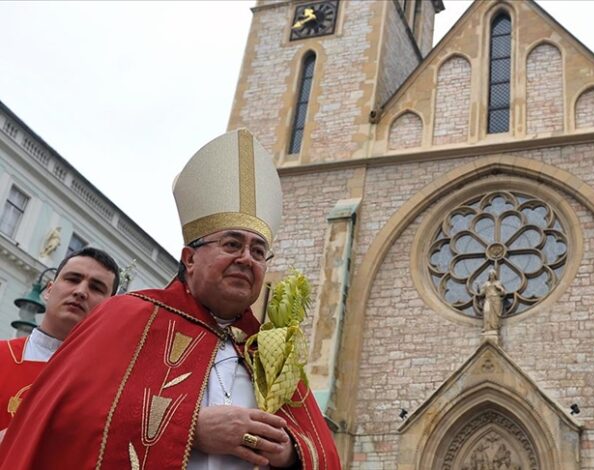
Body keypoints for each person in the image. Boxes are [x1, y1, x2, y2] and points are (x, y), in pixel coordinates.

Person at [0, 129, 340, 469]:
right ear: (189, 259)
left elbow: (324, 454)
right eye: (232, 244)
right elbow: (61, 419)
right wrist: (189, 427)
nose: (247, 258)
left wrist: (288, 453)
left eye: (259, 251)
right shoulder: (127, 315)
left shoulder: (268, 356)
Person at [0, 247, 119, 434]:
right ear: (49, 290)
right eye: (73, 279)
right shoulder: (3, 355)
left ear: (108, 309)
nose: (81, 291)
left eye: (96, 287)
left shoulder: (108, 390)